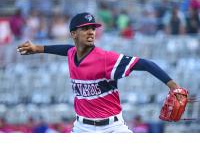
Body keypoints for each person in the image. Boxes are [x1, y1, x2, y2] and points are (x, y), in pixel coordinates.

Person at [17, 12, 182, 133]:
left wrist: (173, 86)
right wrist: (38, 48)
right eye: (85, 28)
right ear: (73, 34)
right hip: (82, 127)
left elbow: (146, 64)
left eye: (93, 28)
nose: (91, 32)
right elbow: (64, 49)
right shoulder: (71, 54)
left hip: (113, 128)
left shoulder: (106, 59)